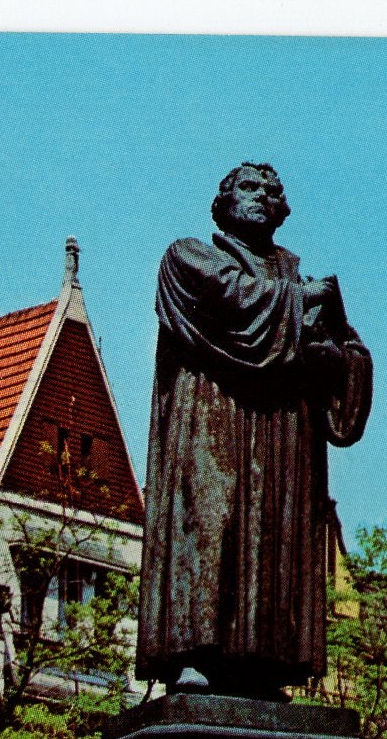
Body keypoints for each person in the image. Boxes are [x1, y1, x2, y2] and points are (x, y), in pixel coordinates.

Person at [136, 162, 372, 696]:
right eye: (249, 187)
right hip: (213, 423)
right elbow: (230, 300)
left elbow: (350, 358)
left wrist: (333, 349)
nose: (262, 197)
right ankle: (197, 651)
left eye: (272, 191)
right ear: (223, 202)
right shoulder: (189, 255)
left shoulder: (298, 278)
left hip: (284, 437)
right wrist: (304, 308)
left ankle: (267, 663)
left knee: (275, 534)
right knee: (212, 524)